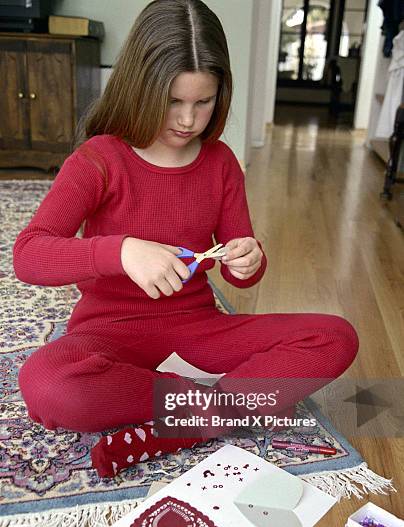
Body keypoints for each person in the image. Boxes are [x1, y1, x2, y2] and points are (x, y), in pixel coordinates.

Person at [13, 0, 359, 477]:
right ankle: (223, 405)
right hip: (110, 335)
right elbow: (28, 255)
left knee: (335, 337)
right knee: (47, 384)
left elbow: (241, 270)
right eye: (173, 101)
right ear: (140, 86)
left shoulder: (219, 163)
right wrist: (122, 251)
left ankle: (188, 421)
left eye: (204, 101)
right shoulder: (99, 159)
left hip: (198, 332)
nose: (188, 119)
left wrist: (248, 258)